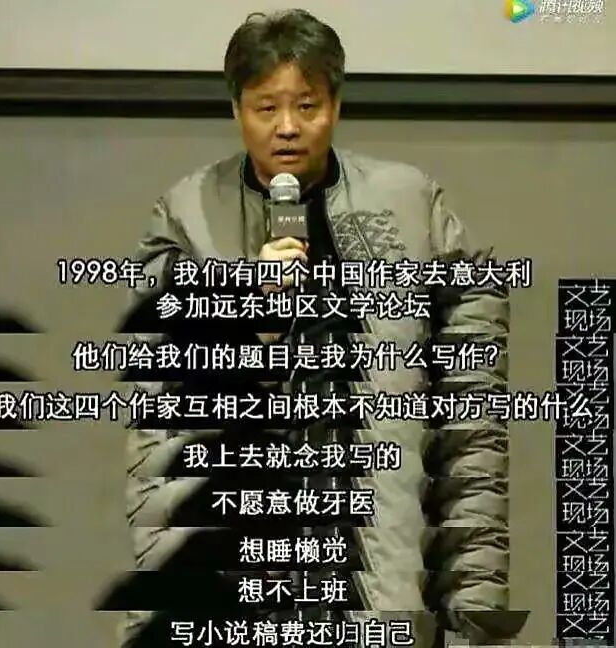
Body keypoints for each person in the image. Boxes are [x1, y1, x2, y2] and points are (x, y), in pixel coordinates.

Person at [121, 9, 521, 648]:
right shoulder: (188, 216)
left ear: (335, 105)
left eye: (306, 105)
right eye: (266, 107)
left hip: (379, 589)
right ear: (236, 110)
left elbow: (472, 429)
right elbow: (163, 432)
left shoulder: (412, 208)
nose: (287, 127)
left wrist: (476, 610)